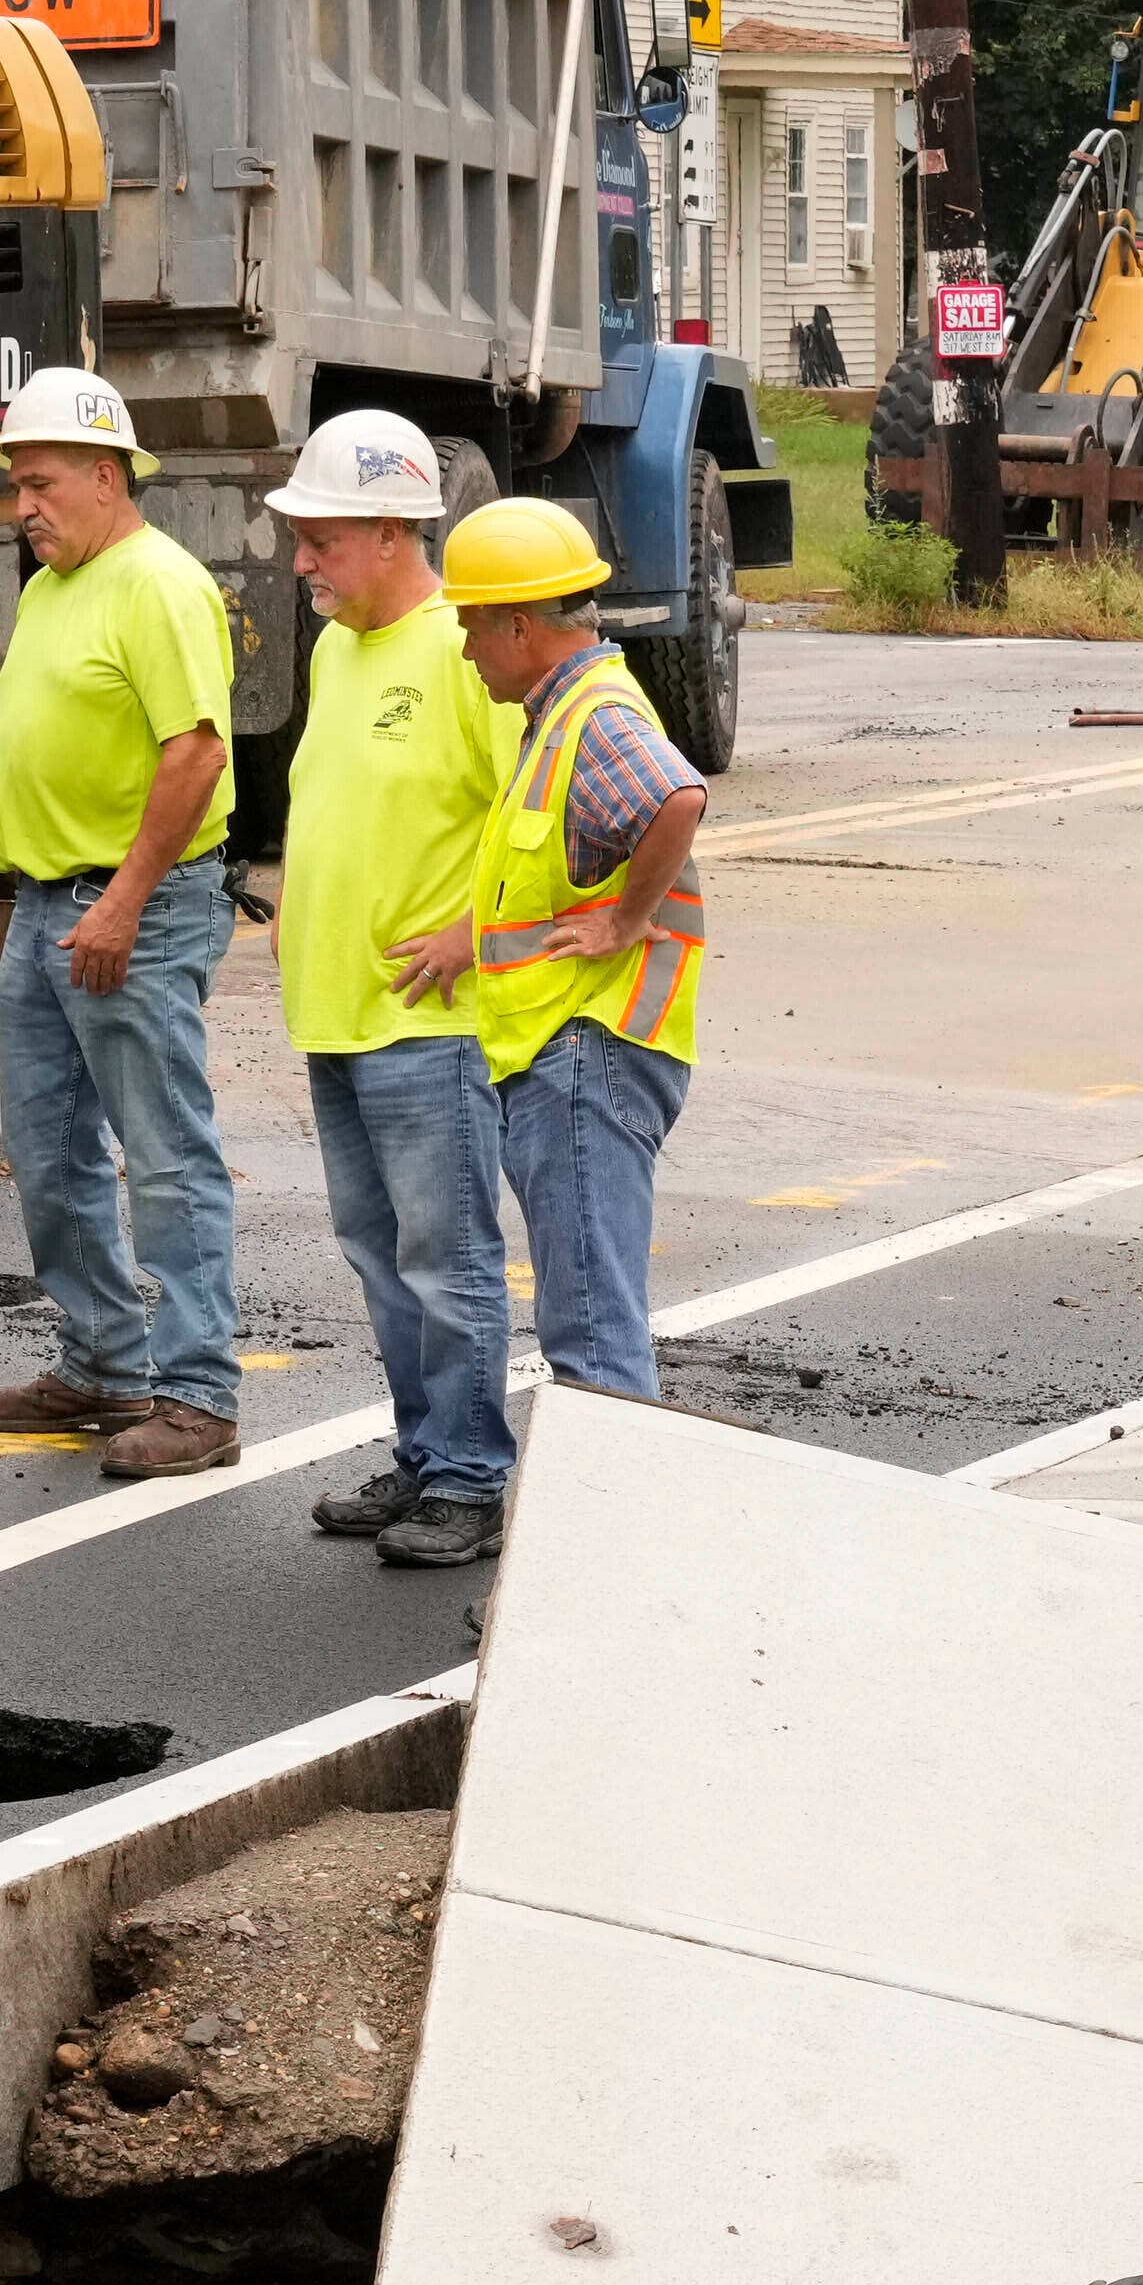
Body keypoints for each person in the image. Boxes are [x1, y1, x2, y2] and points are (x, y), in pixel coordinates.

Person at [0, 365, 248, 1481]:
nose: (22, 506)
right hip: (48, 902)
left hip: (128, 905)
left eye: (39, 483)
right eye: (14, 487)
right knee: (47, 1149)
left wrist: (125, 900)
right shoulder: (53, 587)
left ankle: (199, 1394)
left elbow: (196, 751)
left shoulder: (159, 585)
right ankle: (102, 1359)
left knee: (165, 1153)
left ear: (104, 473)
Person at [262, 410, 523, 1573]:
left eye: (318, 538)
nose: (301, 560)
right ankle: (427, 1454)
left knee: (447, 1254)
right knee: (381, 1255)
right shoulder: (335, 649)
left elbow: (543, 812)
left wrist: (476, 932)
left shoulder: (467, 652)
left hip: (428, 1026)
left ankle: (472, 1475)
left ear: (385, 529)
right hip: (338, 1011)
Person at [433, 498, 705, 1523]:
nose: (463, 648)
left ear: (518, 625)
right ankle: (604, 1559)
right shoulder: (566, 714)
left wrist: (624, 922)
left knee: (591, 1334)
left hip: (585, 1054)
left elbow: (674, 799)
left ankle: (606, 1569)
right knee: (588, 1323)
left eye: (471, 625)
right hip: (566, 1054)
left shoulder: (595, 717)